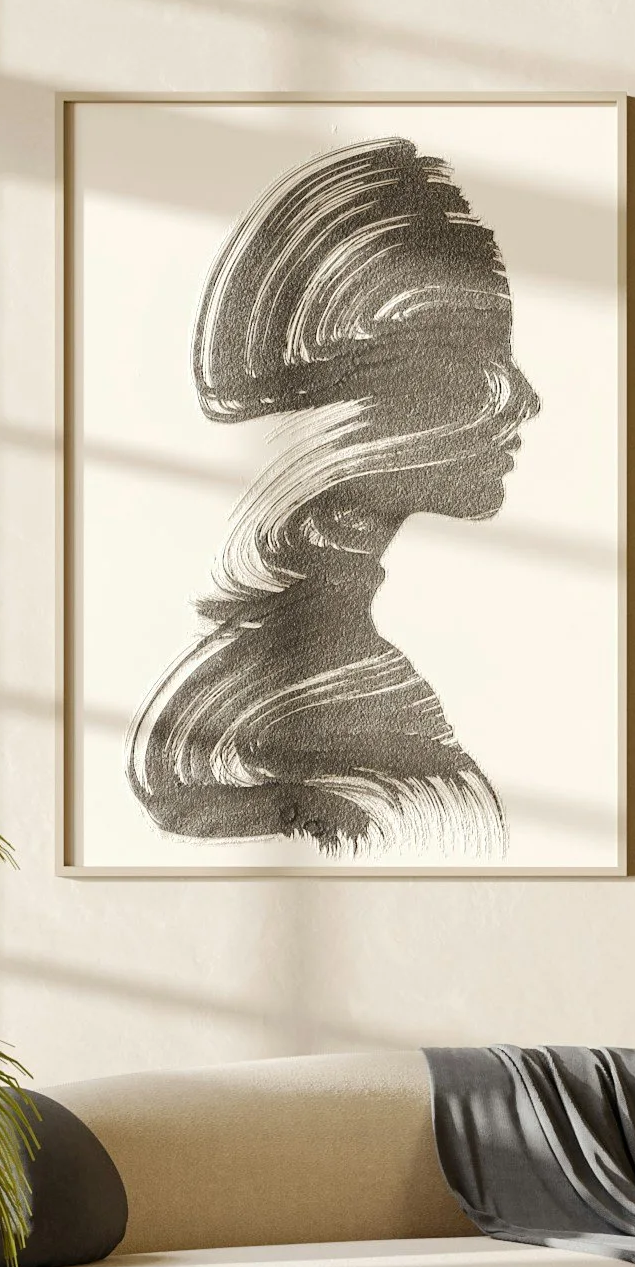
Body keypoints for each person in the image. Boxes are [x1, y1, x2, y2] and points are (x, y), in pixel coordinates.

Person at [128, 136, 539, 858]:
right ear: (373, 403)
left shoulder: (313, 699)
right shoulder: (284, 737)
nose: (524, 401)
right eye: (480, 364)